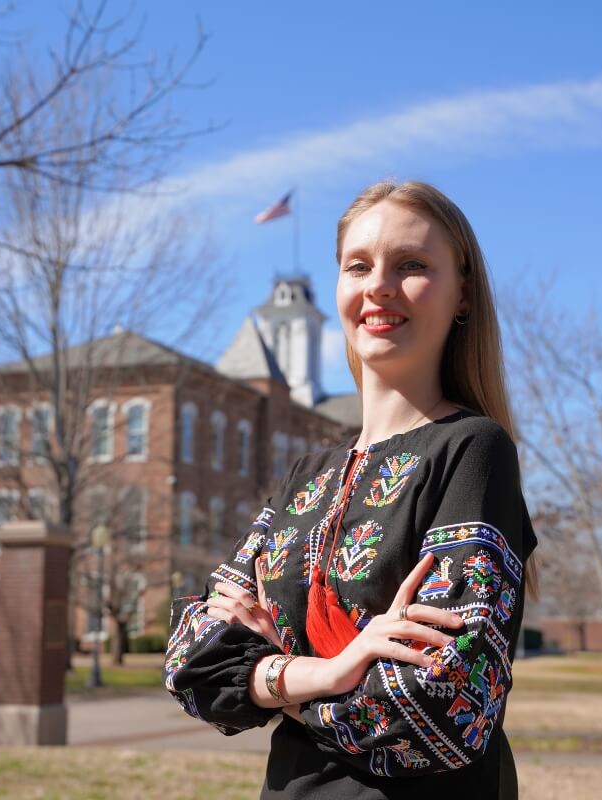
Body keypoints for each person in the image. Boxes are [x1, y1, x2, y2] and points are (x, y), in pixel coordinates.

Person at [164, 179, 538, 798]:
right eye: (357, 265)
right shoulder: (304, 478)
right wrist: (336, 670)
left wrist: (270, 678)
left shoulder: (471, 451)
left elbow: (447, 707)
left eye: (412, 265)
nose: (379, 286)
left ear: (462, 294)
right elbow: (192, 663)